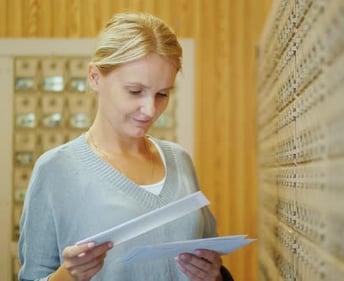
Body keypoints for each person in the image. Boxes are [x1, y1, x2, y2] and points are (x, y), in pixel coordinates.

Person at [18, 12, 232, 281]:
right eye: (135, 91)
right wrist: (67, 275)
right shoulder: (55, 170)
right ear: (95, 77)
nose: (150, 109)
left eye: (162, 94)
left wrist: (214, 276)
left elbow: (211, 259)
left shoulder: (180, 160)